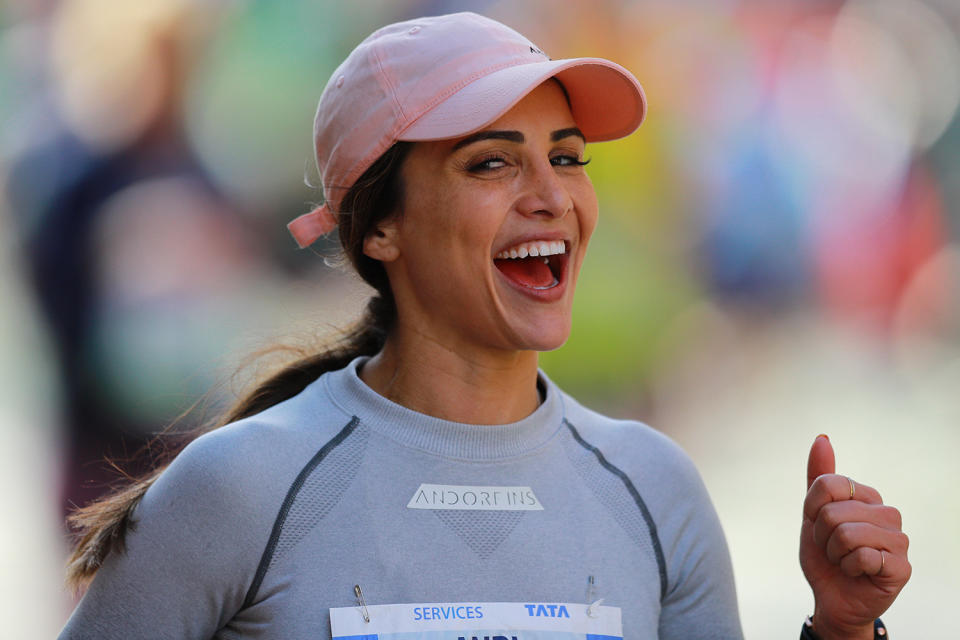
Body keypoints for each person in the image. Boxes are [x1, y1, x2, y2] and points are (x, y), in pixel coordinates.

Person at [59, 12, 910, 640]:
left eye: (568, 157)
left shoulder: (655, 490)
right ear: (380, 226)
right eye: (492, 162)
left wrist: (841, 630)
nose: (552, 194)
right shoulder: (236, 490)